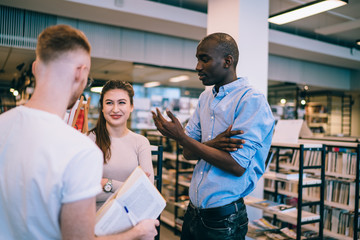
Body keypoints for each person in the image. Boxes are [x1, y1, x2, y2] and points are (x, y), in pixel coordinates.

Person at [0, 24, 158, 240]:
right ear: (81, 73)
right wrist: (137, 232)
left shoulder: (3, 125)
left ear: (36, 68)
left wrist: (107, 184)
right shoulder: (80, 149)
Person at [152, 32, 275, 240]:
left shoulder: (251, 100)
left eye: (204, 59)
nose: (197, 66)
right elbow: (188, 153)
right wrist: (213, 143)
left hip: (223, 219)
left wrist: (182, 137)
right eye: (197, 59)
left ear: (228, 61)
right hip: (193, 213)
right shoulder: (205, 97)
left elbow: (236, 166)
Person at [87, 80, 154, 209]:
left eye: (122, 103)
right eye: (109, 103)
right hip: (95, 220)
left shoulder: (141, 142)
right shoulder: (88, 140)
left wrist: (107, 183)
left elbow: (147, 192)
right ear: (102, 107)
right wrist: (132, 187)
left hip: (131, 219)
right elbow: (83, 193)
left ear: (131, 106)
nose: (115, 109)